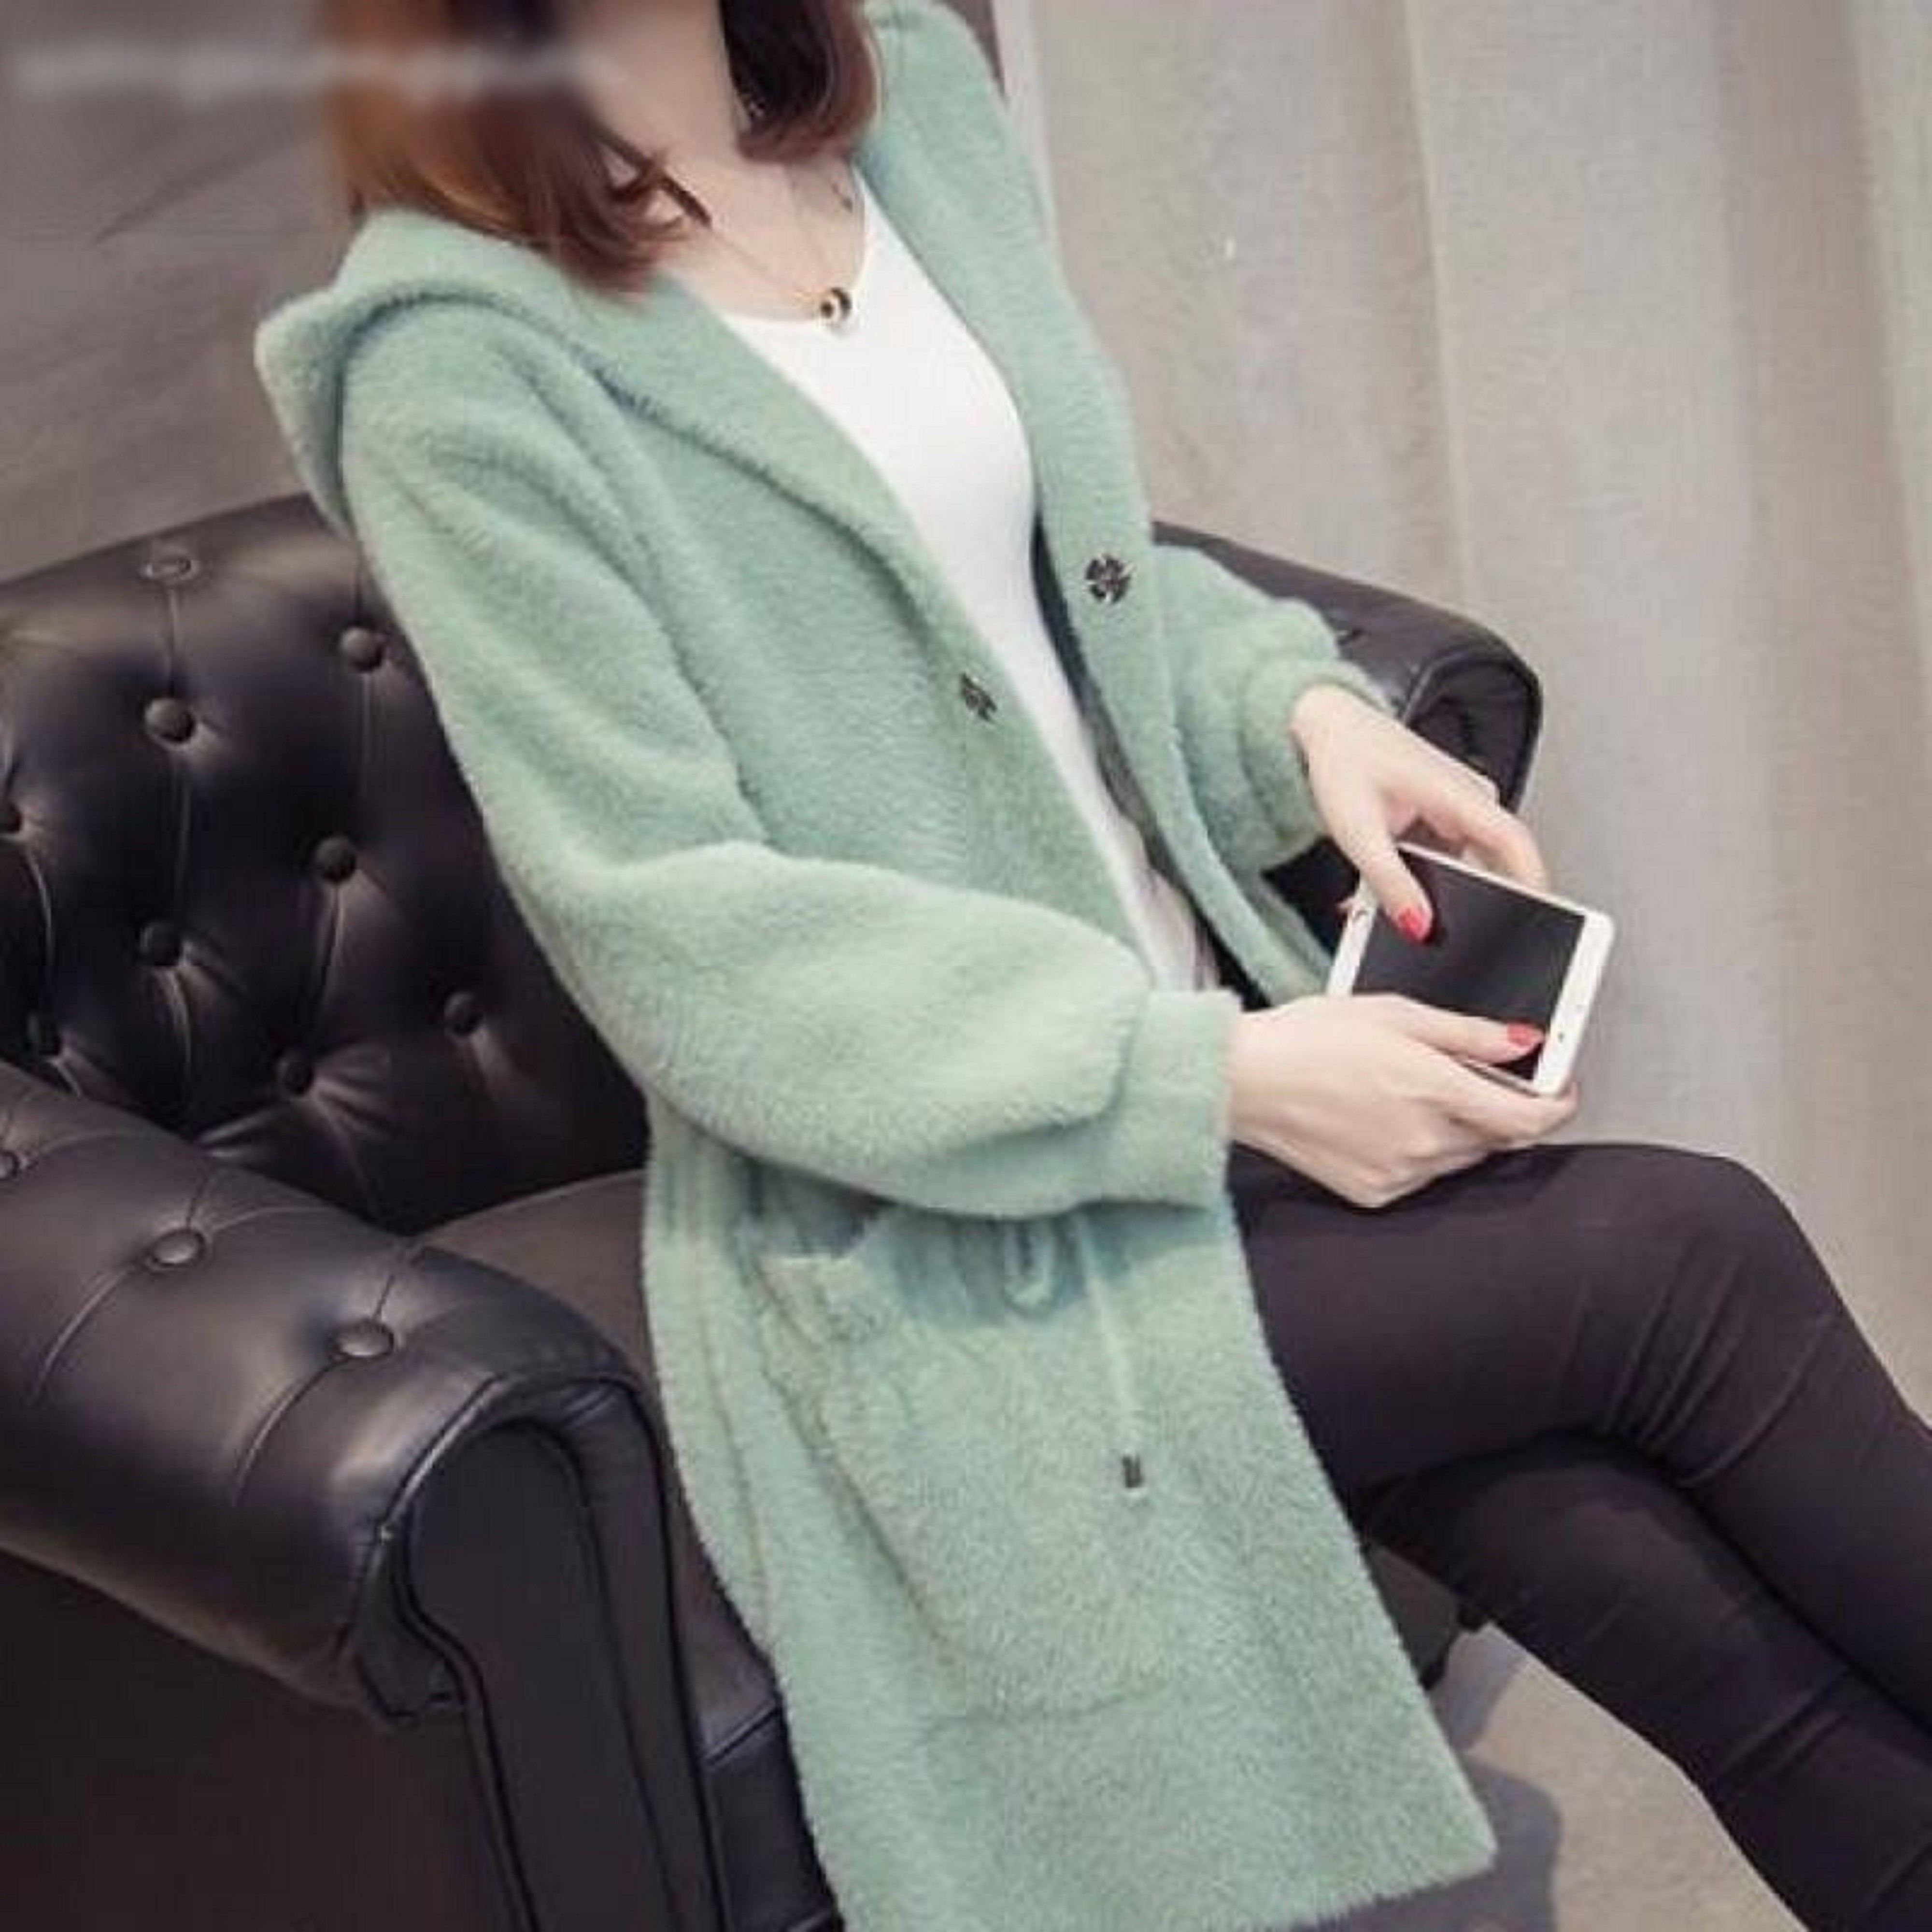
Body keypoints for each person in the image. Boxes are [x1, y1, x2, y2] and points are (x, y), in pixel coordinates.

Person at [256, 2, 1932, 1926]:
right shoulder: (455, 366)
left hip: (1210, 1092)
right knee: (1682, 1257)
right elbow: (673, 925)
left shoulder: (908, 106)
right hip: (943, 1228)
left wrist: (1297, 707)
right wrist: (1205, 1080)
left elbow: (1079, 565)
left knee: (1649, 1582)